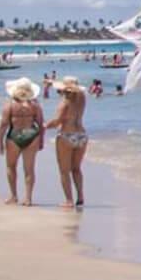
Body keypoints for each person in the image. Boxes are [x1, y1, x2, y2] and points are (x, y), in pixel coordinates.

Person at [0, 78, 45, 206]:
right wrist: (41, 141)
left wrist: (0, 142)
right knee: (29, 169)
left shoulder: (10, 105)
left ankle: (14, 196)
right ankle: (28, 198)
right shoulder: (35, 105)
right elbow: (40, 124)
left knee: (11, 167)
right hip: (31, 135)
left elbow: (3, 125)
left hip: (14, 135)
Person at [50, 76, 89, 210]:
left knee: (64, 170)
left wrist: (44, 126)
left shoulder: (64, 103)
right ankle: (80, 196)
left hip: (67, 134)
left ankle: (69, 200)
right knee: (76, 168)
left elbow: (57, 121)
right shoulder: (83, 99)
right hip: (82, 135)